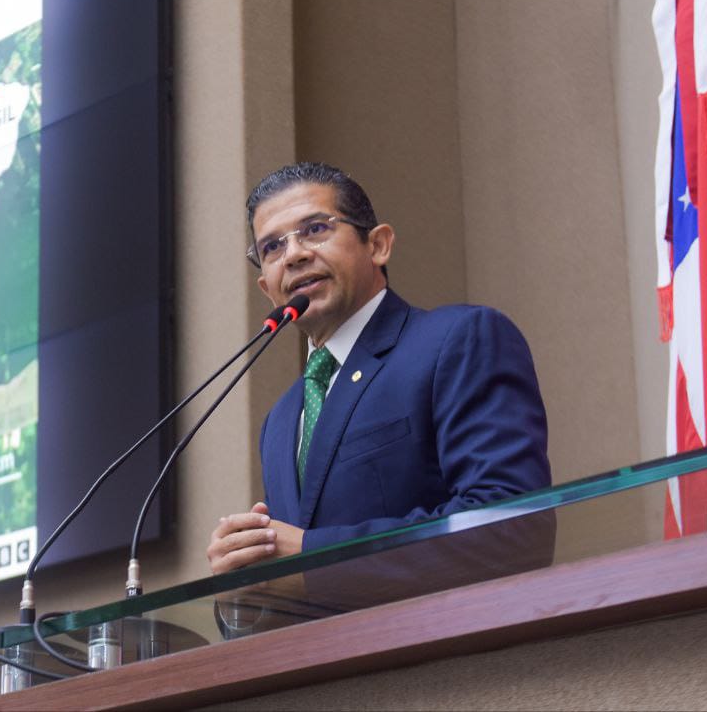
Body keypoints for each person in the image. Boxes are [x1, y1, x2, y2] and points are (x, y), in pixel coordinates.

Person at [206, 162, 551, 574]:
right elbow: (296, 581)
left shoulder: (458, 339)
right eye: (272, 248)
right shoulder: (280, 421)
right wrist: (247, 588)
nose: (294, 255)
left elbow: (512, 531)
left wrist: (313, 552)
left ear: (378, 246)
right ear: (267, 289)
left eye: (315, 229)